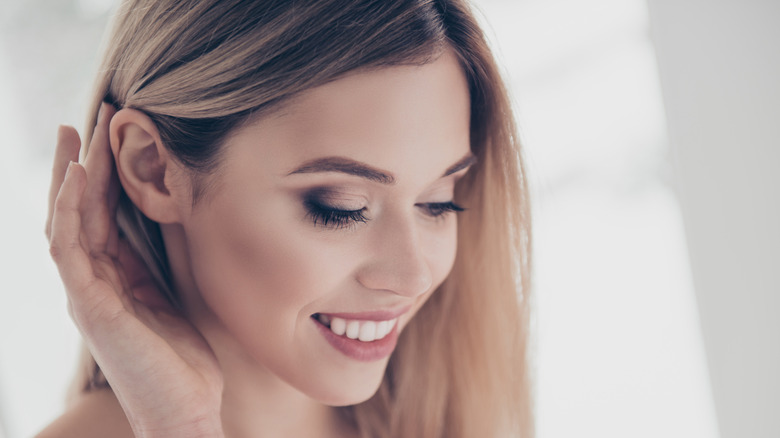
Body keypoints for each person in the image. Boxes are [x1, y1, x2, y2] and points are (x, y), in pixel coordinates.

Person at [38, 0, 533, 437]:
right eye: (341, 208)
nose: (413, 277)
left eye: (438, 202)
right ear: (153, 169)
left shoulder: (455, 419)